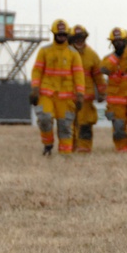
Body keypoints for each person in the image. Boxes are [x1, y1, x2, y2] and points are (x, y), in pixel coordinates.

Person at [30, 19, 85, 155]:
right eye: (59, 34)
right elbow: (37, 71)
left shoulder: (73, 53)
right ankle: (47, 145)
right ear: (54, 34)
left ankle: (65, 155)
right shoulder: (44, 51)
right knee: (44, 118)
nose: (62, 36)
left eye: (64, 34)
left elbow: (79, 75)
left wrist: (80, 94)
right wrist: (35, 89)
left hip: (66, 98)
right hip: (46, 94)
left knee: (65, 127)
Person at [68, 24, 106, 153]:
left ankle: (84, 150)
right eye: (76, 38)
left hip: (86, 99)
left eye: (82, 37)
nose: (79, 40)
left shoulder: (92, 55)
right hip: (67, 98)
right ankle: (68, 149)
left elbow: (98, 77)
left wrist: (102, 92)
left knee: (85, 125)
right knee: (68, 125)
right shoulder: (66, 54)